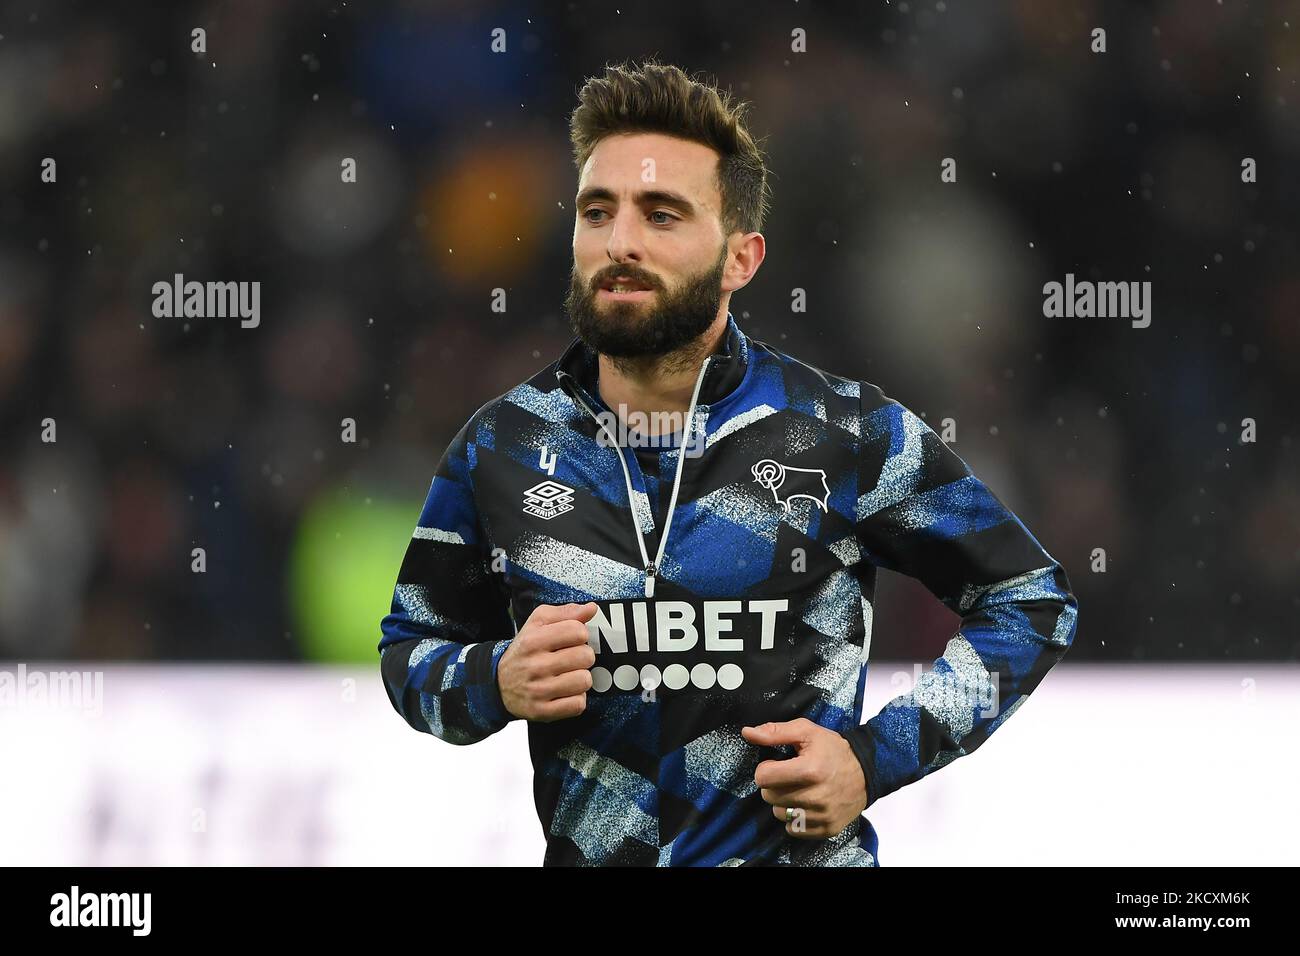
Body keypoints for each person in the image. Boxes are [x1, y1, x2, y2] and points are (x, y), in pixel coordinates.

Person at [378, 58, 1078, 866]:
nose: (621, 241)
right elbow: (410, 651)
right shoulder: (501, 445)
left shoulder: (842, 433)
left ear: (741, 259)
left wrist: (874, 757)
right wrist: (492, 680)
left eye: (662, 215)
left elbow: (1029, 598)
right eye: (597, 210)